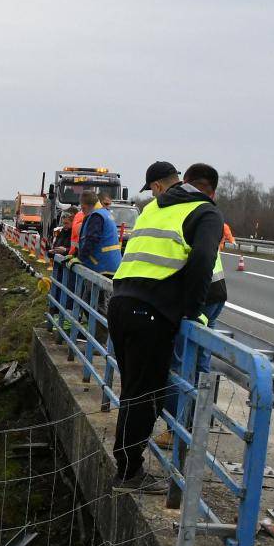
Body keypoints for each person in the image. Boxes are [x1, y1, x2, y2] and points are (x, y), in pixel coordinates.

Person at [106, 161, 225, 493]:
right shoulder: (206, 213)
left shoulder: (152, 208)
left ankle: (127, 467)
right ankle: (129, 473)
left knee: (133, 391)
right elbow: (202, 260)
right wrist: (191, 310)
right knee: (144, 394)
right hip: (151, 311)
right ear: (210, 190)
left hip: (119, 303)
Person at [76, 190, 123, 275]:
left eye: (82, 209)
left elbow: (91, 240)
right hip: (111, 265)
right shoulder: (104, 213)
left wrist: (80, 259)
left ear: (84, 206)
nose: (82, 212)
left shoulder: (96, 216)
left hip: (102, 266)